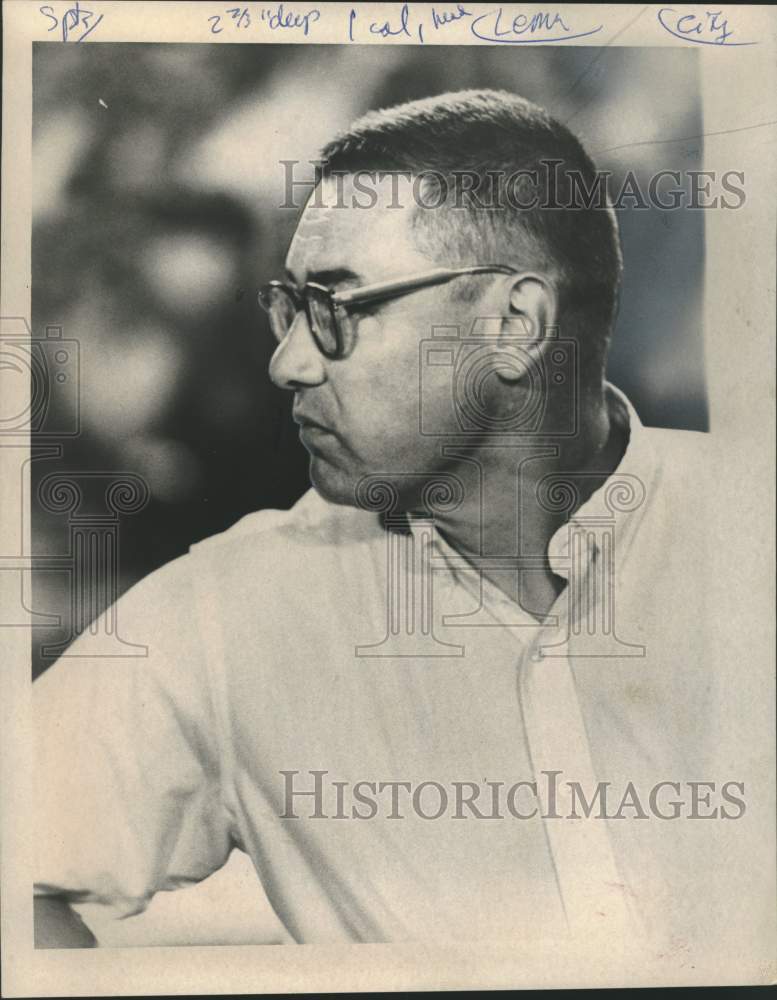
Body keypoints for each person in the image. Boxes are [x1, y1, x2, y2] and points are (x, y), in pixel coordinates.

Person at [33, 90, 760, 953]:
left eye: (337, 309)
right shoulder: (226, 614)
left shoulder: (748, 527)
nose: (287, 360)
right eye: (288, 306)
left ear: (514, 324)